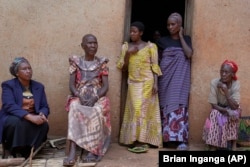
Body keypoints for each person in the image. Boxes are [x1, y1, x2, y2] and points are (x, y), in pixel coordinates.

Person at [63, 34, 111, 166]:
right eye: (89, 43)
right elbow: (71, 85)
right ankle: (72, 150)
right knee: (74, 107)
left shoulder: (101, 63)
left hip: (98, 95)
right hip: (80, 94)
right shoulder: (76, 62)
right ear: (83, 46)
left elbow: (105, 86)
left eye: (95, 43)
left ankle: (92, 150)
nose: (93, 46)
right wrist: (78, 95)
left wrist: (95, 97)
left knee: (97, 109)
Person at [117, 21, 163, 153]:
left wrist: (155, 83)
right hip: (133, 83)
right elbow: (123, 67)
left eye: (135, 31)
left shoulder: (150, 47)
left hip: (147, 82)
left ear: (141, 33)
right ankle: (134, 139)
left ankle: (142, 140)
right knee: (136, 109)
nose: (132, 34)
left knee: (142, 110)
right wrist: (128, 54)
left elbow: (154, 66)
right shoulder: (126, 47)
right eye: (130, 31)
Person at [156, 12, 193, 150]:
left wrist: (182, 37)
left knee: (178, 105)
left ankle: (180, 140)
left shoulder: (187, 39)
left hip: (180, 79)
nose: (170, 27)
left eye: (173, 24)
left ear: (180, 25)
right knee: (165, 106)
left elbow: (189, 54)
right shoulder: (162, 41)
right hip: (165, 78)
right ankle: (166, 139)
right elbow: (157, 61)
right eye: (168, 24)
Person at [0, 57, 49, 159]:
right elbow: (9, 105)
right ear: (17, 73)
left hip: (32, 115)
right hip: (13, 116)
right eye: (24, 69)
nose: (28, 71)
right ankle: (12, 149)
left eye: (29, 68)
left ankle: (28, 150)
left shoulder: (38, 86)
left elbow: (44, 106)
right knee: (17, 122)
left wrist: (42, 114)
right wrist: (29, 117)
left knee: (44, 125)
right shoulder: (8, 86)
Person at [203, 60, 241, 151]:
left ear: (232, 74)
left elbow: (235, 106)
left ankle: (233, 144)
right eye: (221, 71)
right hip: (219, 107)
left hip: (231, 106)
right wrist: (226, 111)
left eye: (226, 72)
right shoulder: (214, 82)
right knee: (215, 113)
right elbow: (213, 105)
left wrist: (226, 91)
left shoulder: (236, 84)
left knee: (234, 113)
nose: (223, 74)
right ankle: (213, 145)